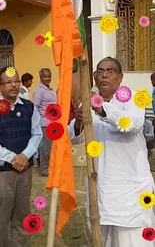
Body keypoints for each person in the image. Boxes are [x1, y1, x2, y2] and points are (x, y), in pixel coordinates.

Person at [68, 57, 155, 247]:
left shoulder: (133, 98)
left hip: (131, 188)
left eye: (110, 71)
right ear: (94, 76)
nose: (105, 75)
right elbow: (73, 137)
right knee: (104, 240)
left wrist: (103, 110)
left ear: (120, 77)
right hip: (102, 188)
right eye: (100, 71)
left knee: (134, 241)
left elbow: (134, 124)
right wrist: (78, 122)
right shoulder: (88, 102)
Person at [0, 67, 42, 247]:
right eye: (8, 82)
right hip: (3, 172)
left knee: (23, 215)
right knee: (2, 216)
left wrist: (25, 156)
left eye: (16, 81)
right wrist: (12, 158)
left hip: (24, 171)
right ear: (0, 86)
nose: (13, 85)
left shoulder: (29, 107)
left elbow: (37, 134)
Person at [33, 68, 57, 177]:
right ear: (40, 77)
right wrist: (36, 124)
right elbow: (35, 107)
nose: (47, 79)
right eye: (45, 77)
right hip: (44, 123)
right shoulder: (39, 91)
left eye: (49, 76)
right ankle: (45, 170)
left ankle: (51, 169)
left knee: (52, 149)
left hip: (53, 123)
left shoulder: (49, 90)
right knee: (45, 149)